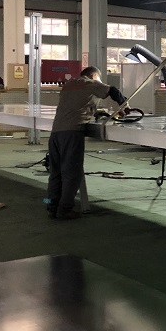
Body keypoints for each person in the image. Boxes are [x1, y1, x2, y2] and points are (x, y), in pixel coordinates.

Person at [47, 66, 127, 220]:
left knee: (56, 173)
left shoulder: (69, 85)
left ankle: (51, 205)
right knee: (72, 173)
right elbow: (113, 91)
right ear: (93, 75)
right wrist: (125, 106)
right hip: (72, 133)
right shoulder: (89, 82)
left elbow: (76, 105)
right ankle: (65, 210)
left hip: (56, 133)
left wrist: (96, 112)